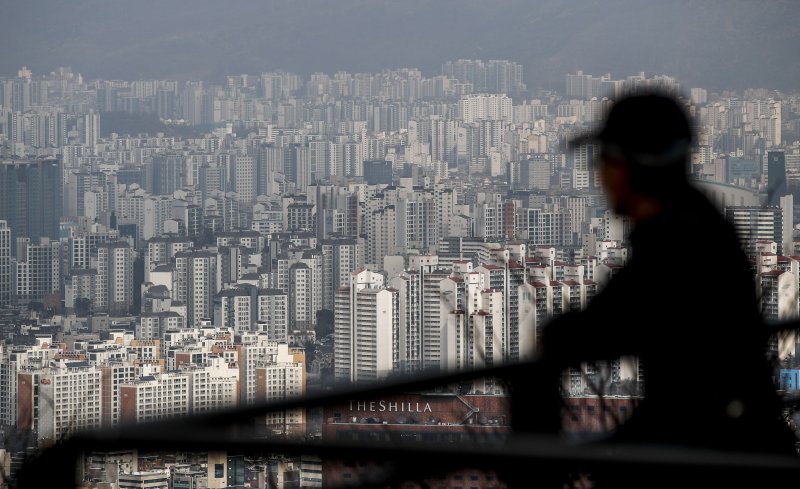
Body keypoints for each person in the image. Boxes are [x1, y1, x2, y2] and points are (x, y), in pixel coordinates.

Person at [539, 93, 796, 484]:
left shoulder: (676, 242)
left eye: (605, 161)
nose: (600, 175)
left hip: (710, 453)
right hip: (735, 442)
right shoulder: (697, 222)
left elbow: (596, 325)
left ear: (631, 168)